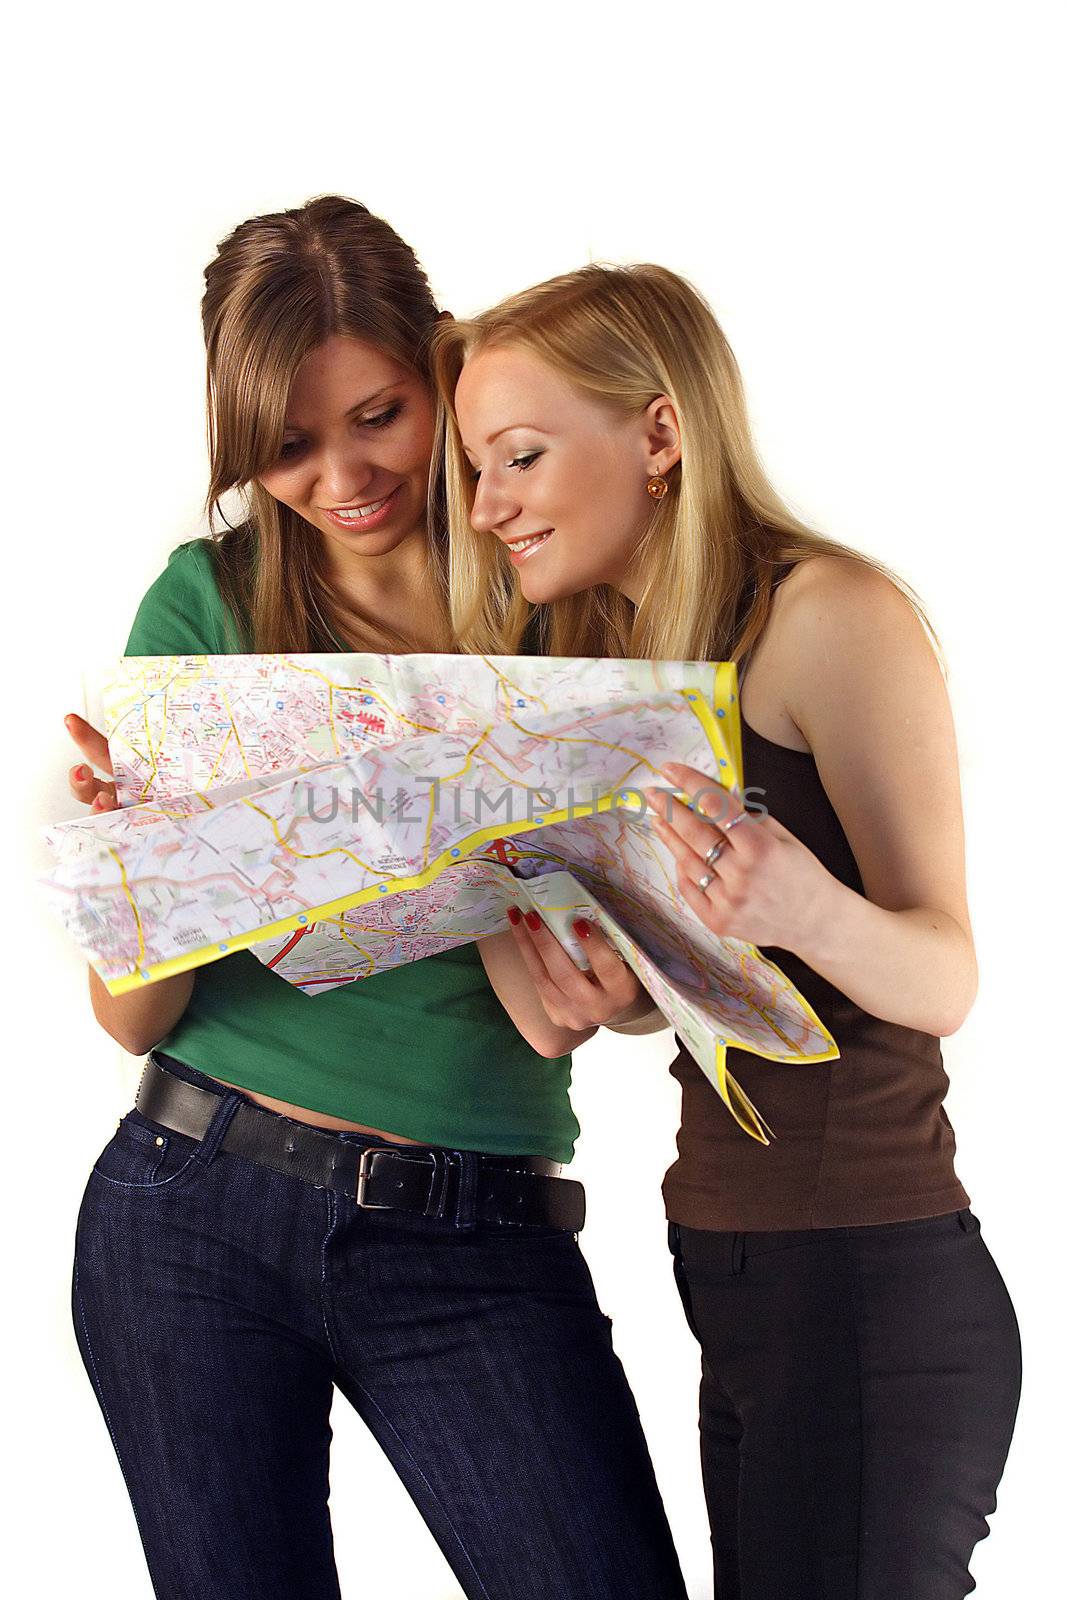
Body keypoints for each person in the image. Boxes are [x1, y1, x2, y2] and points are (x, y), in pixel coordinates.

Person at [65, 203, 687, 1600]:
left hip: (477, 1233)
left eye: (378, 416)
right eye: (286, 447)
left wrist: (629, 998)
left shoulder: (561, 596)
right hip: (192, 1206)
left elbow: (643, 942)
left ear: (437, 365)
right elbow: (128, 1016)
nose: (341, 476)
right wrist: (166, 856)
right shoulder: (206, 608)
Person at [430, 263, 1023, 1600]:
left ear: (658, 435)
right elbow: (724, 983)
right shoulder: (630, 665)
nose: (488, 507)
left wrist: (805, 903)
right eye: (476, 469)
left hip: (869, 1283)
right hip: (732, 1268)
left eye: (518, 457)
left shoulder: (828, 620)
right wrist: (618, 991)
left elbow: (944, 973)